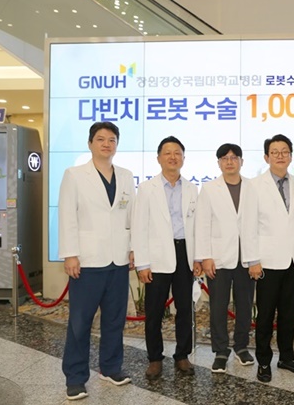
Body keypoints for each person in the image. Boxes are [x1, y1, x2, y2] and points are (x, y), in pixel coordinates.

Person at [58, 122, 135, 401]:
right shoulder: (75, 175)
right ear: (90, 143)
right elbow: (67, 215)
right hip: (87, 261)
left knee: (114, 320)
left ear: (117, 145)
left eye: (111, 140)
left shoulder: (126, 176)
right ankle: (75, 377)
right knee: (80, 323)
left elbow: (130, 215)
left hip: (118, 260)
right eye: (100, 139)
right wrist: (70, 253)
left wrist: (133, 248)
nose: (106, 144)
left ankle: (110, 368)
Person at [131, 136, 199, 380]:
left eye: (177, 153)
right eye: (167, 153)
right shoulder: (146, 188)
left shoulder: (192, 188)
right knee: (154, 311)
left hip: (184, 253)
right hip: (157, 255)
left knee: (185, 309)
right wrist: (142, 263)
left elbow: (197, 226)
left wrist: (198, 258)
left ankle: (182, 355)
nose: (173, 157)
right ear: (158, 158)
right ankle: (154, 359)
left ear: (183, 158)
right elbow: (139, 226)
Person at [194, 143, 259, 374]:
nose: (229, 162)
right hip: (218, 258)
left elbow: (257, 225)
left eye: (234, 157)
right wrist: (205, 256)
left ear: (241, 161)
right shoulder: (209, 189)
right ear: (219, 163)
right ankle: (220, 351)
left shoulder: (253, 187)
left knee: (245, 306)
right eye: (224, 158)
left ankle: (241, 346)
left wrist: (255, 259)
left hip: (246, 258)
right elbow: (202, 224)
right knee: (218, 307)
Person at [250, 134, 294, 383]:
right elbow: (248, 226)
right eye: (275, 152)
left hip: (292, 261)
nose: (280, 156)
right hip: (266, 262)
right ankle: (264, 361)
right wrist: (252, 260)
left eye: (285, 151)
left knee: (288, 313)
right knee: (265, 315)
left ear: (291, 156)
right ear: (266, 157)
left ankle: (287, 357)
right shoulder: (254, 186)